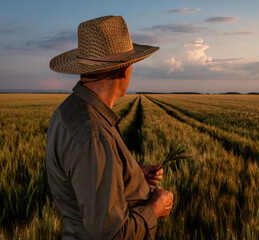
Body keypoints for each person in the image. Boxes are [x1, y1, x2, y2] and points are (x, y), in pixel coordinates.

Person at [46, 16, 174, 239]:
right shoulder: (93, 134)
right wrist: (155, 209)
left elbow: (85, 185)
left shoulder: (69, 110)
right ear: (124, 70)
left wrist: (129, 175)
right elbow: (113, 234)